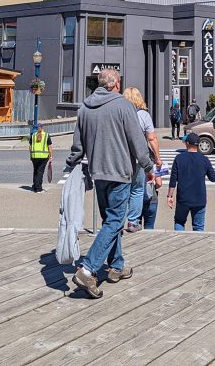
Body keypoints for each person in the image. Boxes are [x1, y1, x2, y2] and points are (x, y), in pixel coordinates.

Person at [66, 68, 156, 299]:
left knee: (109, 221)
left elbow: (78, 145)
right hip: (120, 173)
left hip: (99, 173)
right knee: (115, 222)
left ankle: (116, 266)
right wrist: (148, 167)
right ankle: (88, 269)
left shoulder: (85, 107)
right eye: (119, 82)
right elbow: (138, 141)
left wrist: (71, 163)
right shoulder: (123, 105)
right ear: (114, 84)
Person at [122, 87, 162, 232]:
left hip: (121, 157)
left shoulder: (120, 112)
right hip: (138, 158)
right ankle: (133, 222)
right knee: (137, 189)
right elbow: (152, 138)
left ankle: (119, 221)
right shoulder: (143, 115)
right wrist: (157, 158)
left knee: (122, 188)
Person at [168, 132, 215, 231]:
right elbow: (213, 178)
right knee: (198, 226)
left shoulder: (179, 158)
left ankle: (178, 242)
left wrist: (169, 196)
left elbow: (173, 180)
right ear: (198, 144)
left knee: (179, 221)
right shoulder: (204, 160)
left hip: (183, 198)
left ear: (187, 143)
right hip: (199, 198)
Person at [29, 122, 52, 193]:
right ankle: (38, 188)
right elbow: (49, 147)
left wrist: (30, 155)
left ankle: (34, 186)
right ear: (42, 127)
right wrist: (51, 156)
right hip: (43, 157)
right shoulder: (46, 135)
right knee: (40, 172)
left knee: (35, 171)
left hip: (34, 156)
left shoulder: (32, 136)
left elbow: (30, 147)